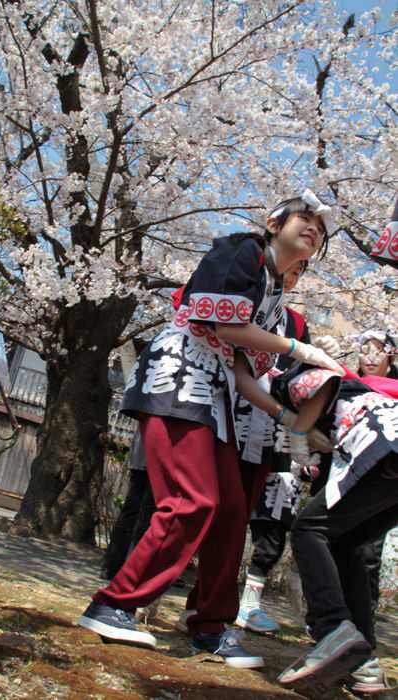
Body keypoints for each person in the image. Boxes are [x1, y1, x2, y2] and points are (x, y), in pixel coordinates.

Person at [77, 189, 342, 669]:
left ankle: (211, 628)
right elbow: (223, 330)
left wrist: (292, 422)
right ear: (272, 221)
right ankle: (114, 603)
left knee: (230, 511)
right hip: (179, 379)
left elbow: (243, 374)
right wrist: (301, 351)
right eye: (303, 218)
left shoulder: (276, 299)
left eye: (320, 228)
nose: (312, 228)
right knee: (191, 500)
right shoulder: (241, 249)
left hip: (214, 392)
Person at [274, 332, 398, 691]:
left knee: (307, 531)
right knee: (345, 544)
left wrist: (299, 435)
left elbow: (322, 386)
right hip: (388, 457)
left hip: (383, 449)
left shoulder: (304, 376)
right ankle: (365, 660)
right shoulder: (359, 383)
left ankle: (333, 630)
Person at [235, 261, 338, 633]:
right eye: (285, 270)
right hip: (231, 420)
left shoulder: (295, 324)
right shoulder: (241, 306)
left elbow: (301, 382)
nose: (288, 278)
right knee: (219, 510)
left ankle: (249, 603)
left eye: (297, 273)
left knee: (271, 519)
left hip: (275, 430)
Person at [100, 430, 155, 580]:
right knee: (146, 514)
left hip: (143, 450)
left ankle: (112, 566)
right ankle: (130, 571)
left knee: (132, 511)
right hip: (158, 455)